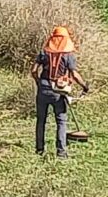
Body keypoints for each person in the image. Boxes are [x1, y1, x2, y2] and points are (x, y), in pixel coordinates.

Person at [31, 26, 88, 158]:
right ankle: (61, 152)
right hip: (59, 91)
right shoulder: (68, 55)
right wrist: (84, 86)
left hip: (44, 88)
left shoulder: (44, 53)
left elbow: (33, 70)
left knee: (41, 120)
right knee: (61, 121)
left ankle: (39, 149)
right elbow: (74, 74)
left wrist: (39, 82)